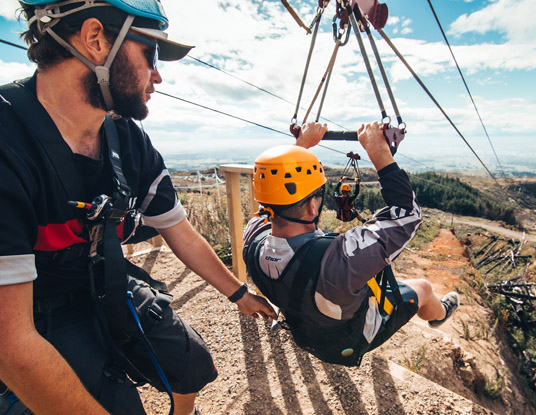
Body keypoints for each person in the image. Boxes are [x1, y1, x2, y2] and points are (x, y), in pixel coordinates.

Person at [0, 1, 276, 415]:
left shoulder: (128, 141)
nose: (158, 75)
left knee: (191, 363)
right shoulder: (8, 142)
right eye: (151, 53)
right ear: (96, 40)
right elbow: (11, 342)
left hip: (102, 282)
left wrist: (239, 294)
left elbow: (179, 231)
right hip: (35, 309)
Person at [242, 121, 459, 367]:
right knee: (422, 287)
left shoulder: (252, 240)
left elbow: (265, 209)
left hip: (305, 331)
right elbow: (407, 215)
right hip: (351, 337)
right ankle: (439, 314)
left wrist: (300, 146)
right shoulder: (339, 260)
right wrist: (379, 152)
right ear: (313, 205)